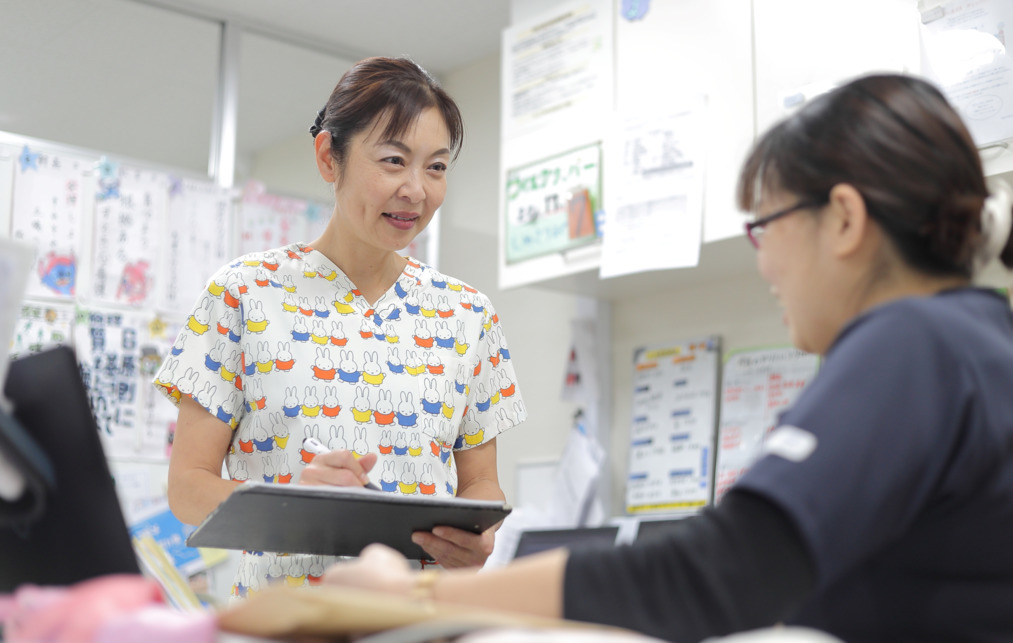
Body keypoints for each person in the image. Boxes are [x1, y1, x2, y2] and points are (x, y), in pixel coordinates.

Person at [320, 73, 1013, 642]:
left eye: (764, 226)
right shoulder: (980, 342)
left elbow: (725, 567)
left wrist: (417, 595)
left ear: (844, 218)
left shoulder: (914, 344)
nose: (764, 260)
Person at [154, 56, 527, 597]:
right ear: (330, 157)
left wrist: (476, 534)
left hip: (417, 623)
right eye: (394, 161)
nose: (416, 191)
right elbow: (187, 487)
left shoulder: (468, 315)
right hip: (282, 624)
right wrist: (289, 504)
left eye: (437, 167)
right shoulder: (244, 293)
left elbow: (479, 481)